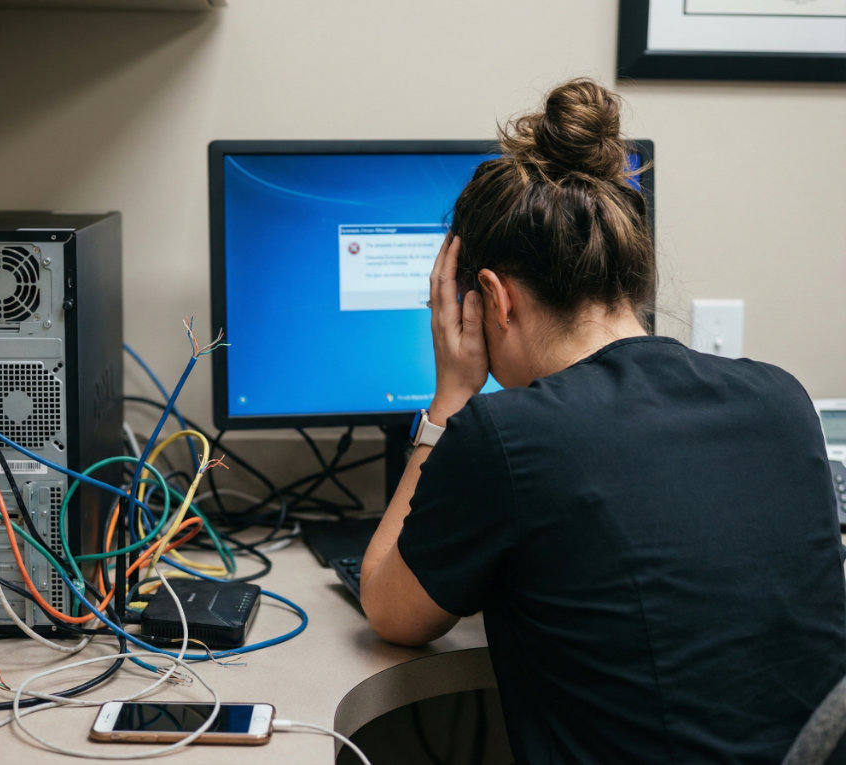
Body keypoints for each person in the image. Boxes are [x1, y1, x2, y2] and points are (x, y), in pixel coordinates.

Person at [359, 78, 846, 764]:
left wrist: (450, 399)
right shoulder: (782, 400)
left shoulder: (506, 435)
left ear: (494, 298)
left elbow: (390, 609)